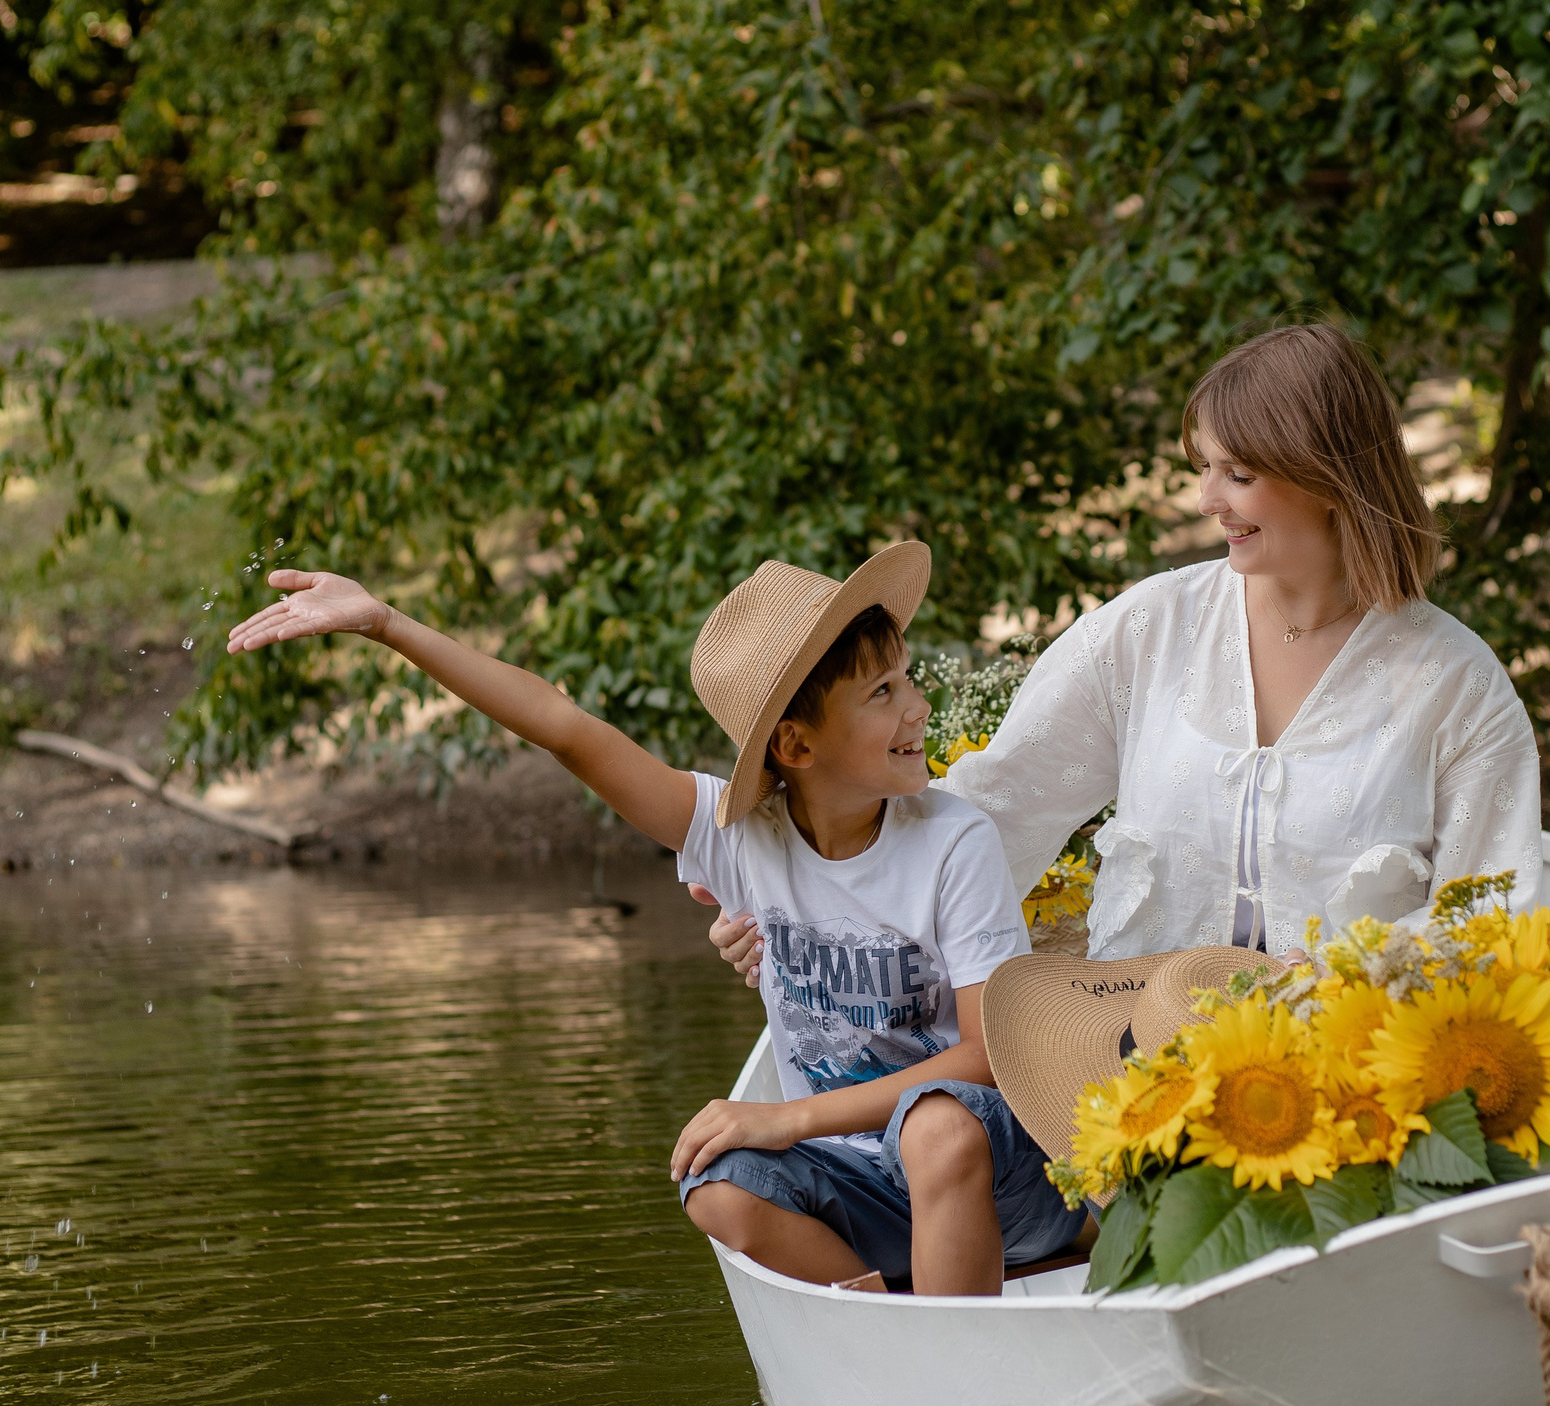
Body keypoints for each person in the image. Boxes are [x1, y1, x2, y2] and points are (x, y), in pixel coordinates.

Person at [227, 543, 1084, 1295]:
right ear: (795, 746)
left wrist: (785, 1117)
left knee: (936, 1124)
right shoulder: (738, 837)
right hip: (861, 1187)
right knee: (716, 1179)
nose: (917, 709)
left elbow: (983, 1057)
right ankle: (874, 1312)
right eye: (882, 692)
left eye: (907, 681)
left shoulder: (950, 840)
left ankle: (960, 1330)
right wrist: (388, 626)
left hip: (987, 1168)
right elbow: (568, 731)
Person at [707, 322, 1544, 984]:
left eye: (1238, 475)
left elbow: (1490, 919)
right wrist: (802, 908)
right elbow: (999, 808)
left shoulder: (1457, 688)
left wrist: (1340, 981)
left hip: (1359, 1075)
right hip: (1127, 1064)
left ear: (1328, 478)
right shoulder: (1151, 631)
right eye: (1205, 468)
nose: (1209, 500)